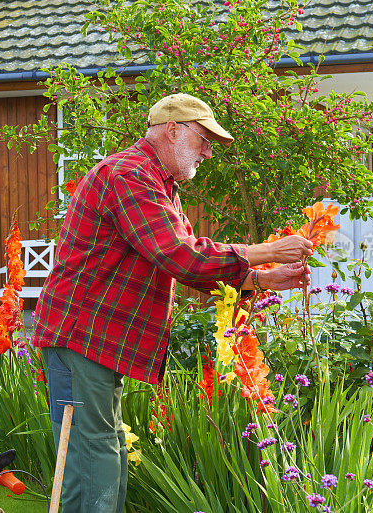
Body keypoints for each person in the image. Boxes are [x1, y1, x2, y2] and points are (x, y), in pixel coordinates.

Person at [32, 93, 313, 512]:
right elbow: (178, 253)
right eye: (203, 139)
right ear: (172, 130)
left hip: (97, 342)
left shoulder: (160, 185)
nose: (208, 151)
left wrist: (261, 278)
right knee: (94, 465)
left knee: (101, 459)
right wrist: (268, 250)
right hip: (82, 337)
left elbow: (188, 263)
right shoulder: (127, 175)